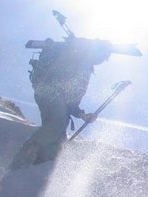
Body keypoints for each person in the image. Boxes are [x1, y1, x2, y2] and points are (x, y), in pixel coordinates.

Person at [10, 37, 111, 168]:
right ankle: (27, 152)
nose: (102, 60)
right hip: (50, 90)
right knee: (57, 125)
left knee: (58, 138)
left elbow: (71, 103)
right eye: (102, 55)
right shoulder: (80, 57)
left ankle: (36, 167)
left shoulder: (84, 66)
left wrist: (83, 115)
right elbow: (69, 93)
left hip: (50, 94)